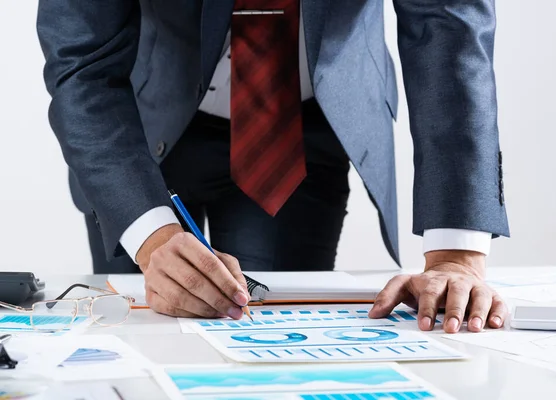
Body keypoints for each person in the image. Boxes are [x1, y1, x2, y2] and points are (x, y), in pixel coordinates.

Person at [36, 0, 509, 334]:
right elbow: (80, 55)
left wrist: (456, 255)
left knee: (253, 342)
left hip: (291, 134)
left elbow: (448, 25)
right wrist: (150, 234)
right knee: (144, 334)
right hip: (145, 125)